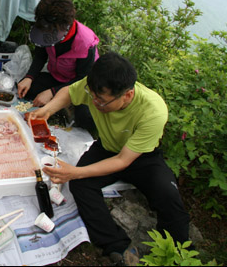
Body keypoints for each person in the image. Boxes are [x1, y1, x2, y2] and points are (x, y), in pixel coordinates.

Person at [27, 52, 191, 266]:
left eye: (101, 101)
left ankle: (178, 254)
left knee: (168, 195)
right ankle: (117, 246)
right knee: (81, 186)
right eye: (92, 96)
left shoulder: (153, 110)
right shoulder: (97, 86)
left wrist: (75, 172)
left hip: (143, 157)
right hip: (106, 147)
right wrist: (47, 111)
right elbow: (69, 93)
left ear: (128, 95)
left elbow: (123, 161)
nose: (94, 103)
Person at [18, 0, 99, 131]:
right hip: (57, 77)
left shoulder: (85, 42)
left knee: (86, 118)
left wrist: (52, 92)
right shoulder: (44, 31)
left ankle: (66, 106)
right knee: (26, 88)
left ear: (65, 27)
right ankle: (59, 105)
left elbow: (82, 79)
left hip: (79, 85)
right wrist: (29, 77)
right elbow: (40, 55)